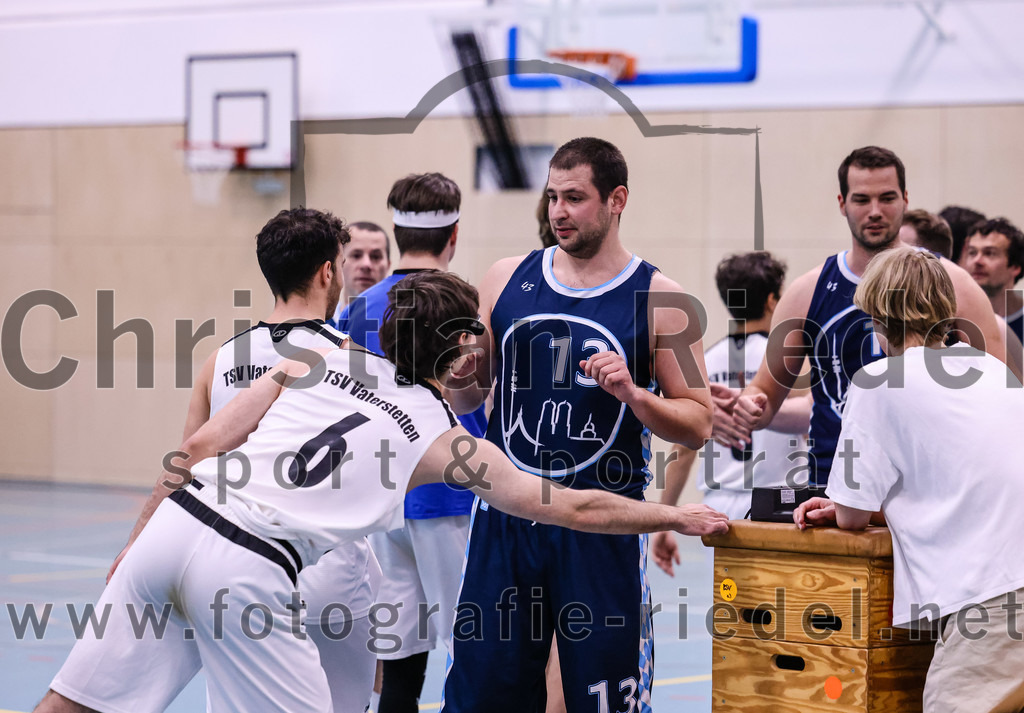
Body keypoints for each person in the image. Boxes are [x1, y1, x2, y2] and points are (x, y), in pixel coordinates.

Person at [36, 271, 729, 713]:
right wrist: (679, 513)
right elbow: (577, 504)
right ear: (459, 350)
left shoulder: (317, 354)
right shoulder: (441, 436)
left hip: (175, 526)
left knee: (73, 703)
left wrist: (133, 545)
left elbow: (197, 447)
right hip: (249, 566)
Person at [441, 137, 715, 712]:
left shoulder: (662, 298)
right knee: (482, 693)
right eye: (552, 197)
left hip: (601, 524)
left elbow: (697, 422)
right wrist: (458, 370)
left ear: (616, 200)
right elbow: (471, 391)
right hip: (507, 517)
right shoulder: (505, 277)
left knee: (603, 697)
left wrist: (636, 395)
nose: (558, 212)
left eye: (574, 198)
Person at [107, 208, 380, 713]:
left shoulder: (222, 358)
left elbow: (184, 466)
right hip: (326, 574)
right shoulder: (353, 359)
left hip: (233, 574)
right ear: (327, 272)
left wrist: (136, 545)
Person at [793, 246, 1024, 713]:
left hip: (993, 599)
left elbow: (854, 516)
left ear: (877, 318)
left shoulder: (879, 383)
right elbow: (964, 480)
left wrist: (842, 506)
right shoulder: (994, 371)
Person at [731, 146, 1013, 486]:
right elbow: (763, 391)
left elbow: (1001, 392)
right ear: (842, 203)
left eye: (887, 198)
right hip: (835, 485)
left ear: (906, 200)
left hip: (932, 486)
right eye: (862, 199)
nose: (875, 211)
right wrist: (749, 407)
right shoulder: (807, 293)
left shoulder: (954, 284)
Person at [336, 173, 486, 713]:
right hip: (448, 492)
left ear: (396, 235)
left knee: (400, 652)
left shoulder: (355, 309)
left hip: (383, 497)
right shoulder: (461, 303)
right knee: (468, 643)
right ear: (454, 235)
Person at [652, 251, 810, 575]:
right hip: (778, 506)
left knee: (727, 612)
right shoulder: (788, 362)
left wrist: (663, 518)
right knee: (779, 612)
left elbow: (682, 449)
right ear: (771, 301)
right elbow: (814, 425)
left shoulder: (705, 362)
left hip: (717, 508)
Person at [962, 217, 1024, 343]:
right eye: (972, 252)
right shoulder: (955, 320)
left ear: (1015, 266)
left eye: (989, 253)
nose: (977, 261)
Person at [331, 220, 391, 320]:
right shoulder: (318, 327)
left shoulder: (399, 325)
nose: (366, 264)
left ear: (388, 265)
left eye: (375, 257)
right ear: (340, 262)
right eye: (356, 255)